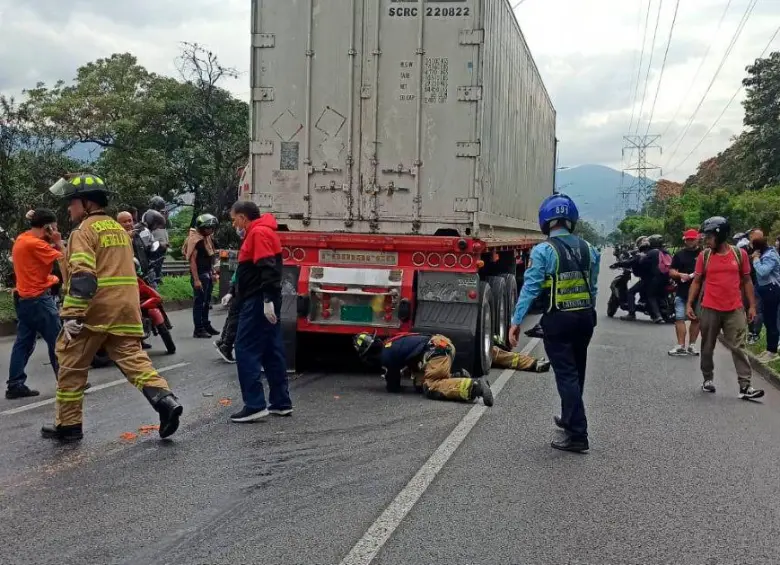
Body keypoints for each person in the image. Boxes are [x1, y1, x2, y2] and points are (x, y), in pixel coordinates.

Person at [41, 173, 183, 442]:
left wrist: (72, 314)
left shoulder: (83, 232)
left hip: (94, 311)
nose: (69, 208)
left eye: (72, 202)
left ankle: (69, 426)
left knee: (70, 363)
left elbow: (83, 275)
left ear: (86, 204)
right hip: (126, 309)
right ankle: (166, 402)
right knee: (134, 359)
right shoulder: (119, 230)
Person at [509, 193, 599, 453]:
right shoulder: (589, 249)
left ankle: (578, 435)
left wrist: (516, 321)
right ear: (571, 220)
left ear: (545, 221)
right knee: (577, 370)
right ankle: (569, 418)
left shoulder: (544, 251)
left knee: (566, 375)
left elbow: (531, 288)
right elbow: (592, 287)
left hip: (559, 320)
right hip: (585, 318)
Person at [686, 216, 764, 400]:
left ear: (721, 235)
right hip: (709, 308)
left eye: (710, 236)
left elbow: (747, 281)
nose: (706, 240)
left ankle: (745, 387)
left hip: (734, 308)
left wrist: (752, 306)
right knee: (707, 347)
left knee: (739, 347)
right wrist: (690, 303)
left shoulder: (739, 254)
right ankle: (707, 379)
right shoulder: (704, 256)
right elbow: (696, 281)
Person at [229, 200, 292, 422]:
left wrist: (266, 299)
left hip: (258, 299)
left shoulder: (258, 233)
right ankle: (280, 402)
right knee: (270, 349)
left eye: (234, 219)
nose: (234, 224)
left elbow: (267, 267)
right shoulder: (261, 232)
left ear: (243, 218)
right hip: (262, 297)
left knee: (244, 347)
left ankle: (254, 404)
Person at [5, 209, 63, 399]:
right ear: (47, 226)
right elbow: (65, 259)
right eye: (54, 226)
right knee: (57, 340)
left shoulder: (22, 239)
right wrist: (57, 240)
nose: (56, 229)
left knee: (23, 342)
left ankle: (15, 383)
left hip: (24, 298)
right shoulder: (37, 244)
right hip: (39, 300)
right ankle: (66, 381)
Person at [352, 332, 494, 405]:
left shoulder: (386, 357)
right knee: (420, 384)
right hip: (441, 345)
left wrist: (391, 379)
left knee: (431, 387)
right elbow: (412, 359)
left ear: (368, 355)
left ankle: (475, 386)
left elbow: (393, 386)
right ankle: (458, 376)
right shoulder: (390, 345)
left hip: (437, 351)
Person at [182, 214, 219, 338]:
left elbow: (210, 256)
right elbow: (192, 261)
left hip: (207, 273)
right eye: (210, 228)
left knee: (207, 301)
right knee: (199, 302)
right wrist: (196, 280)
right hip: (200, 275)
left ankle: (206, 324)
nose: (211, 230)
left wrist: (213, 272)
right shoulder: (195, 240)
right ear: (203, 228)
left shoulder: (206, 238)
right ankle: (198, 329)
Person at [668, 229, 701, 356]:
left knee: (696, 319)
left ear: (697, 239)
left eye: (692, 239)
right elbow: (671, 271)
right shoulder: (679, 254)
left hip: (699, 294)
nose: (690, 241)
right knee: (679, 318)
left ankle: (692, 345)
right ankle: (681, 345)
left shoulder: (704, 254)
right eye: (688, 239)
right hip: (682, 291)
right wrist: (680, 274)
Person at [750, 229, 780, 363]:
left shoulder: (770, 255)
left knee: (771, 321)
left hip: (772, 290)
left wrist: (756, 259)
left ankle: (772, 351)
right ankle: (769, 349)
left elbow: (763, 272)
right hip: (765, 290)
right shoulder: (765, 254)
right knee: (768, 321)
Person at [618, 236, 651, 321]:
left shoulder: (641, 254)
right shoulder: (656, 252)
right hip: (659, 278)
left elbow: (630, 262)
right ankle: (643, 302)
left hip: (647, 279)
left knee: (630, 292)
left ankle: (631, 313)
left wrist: (619, 264)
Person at [214, 270, 239, 363]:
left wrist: (230, 292)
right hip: (244, 288)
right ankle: (226, 346)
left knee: (233, 317)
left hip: (239, 286)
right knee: (236, 319)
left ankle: (223, 341)